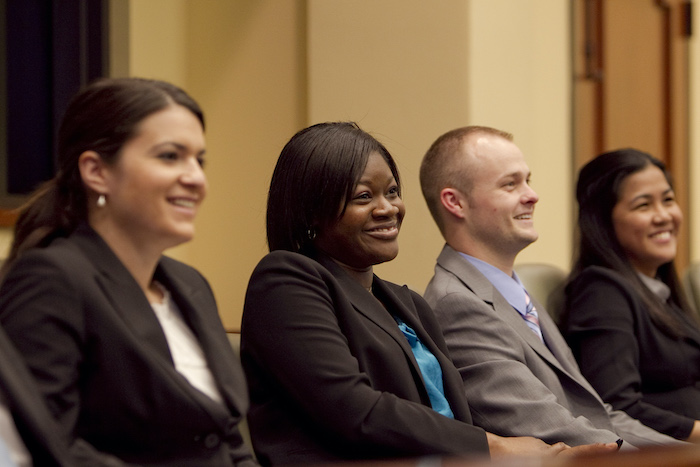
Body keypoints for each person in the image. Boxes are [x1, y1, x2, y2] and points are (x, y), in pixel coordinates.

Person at [240, 121, 616, 466]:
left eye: (391, 192)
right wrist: (497, 446)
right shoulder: (285, 280)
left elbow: (451, 418)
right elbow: (353, 411)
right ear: (311, 212)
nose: (387, 208)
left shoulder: (409, 305)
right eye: (363, 196)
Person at [0, 78, 257, 466]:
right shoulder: (53, 279)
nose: (196, 178)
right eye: (171, 156)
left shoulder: (191, 285)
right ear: (96, 171)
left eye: (199, 160)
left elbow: (228, 443)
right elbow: (49, 444)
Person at [419, 126, 681, 449]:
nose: (532, 195)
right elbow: (550, 427)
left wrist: (686, 454)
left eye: (528, 180)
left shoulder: (508, 289)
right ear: (455, 203)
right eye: (510, 184)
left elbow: (601, 414)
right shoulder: (456, 304)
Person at [560, 148, 700, 442]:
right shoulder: (601, 292)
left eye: (668, 200)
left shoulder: (658, 290)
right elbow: (619, 406)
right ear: (603, 220)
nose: (663, 216)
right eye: (643, 205)